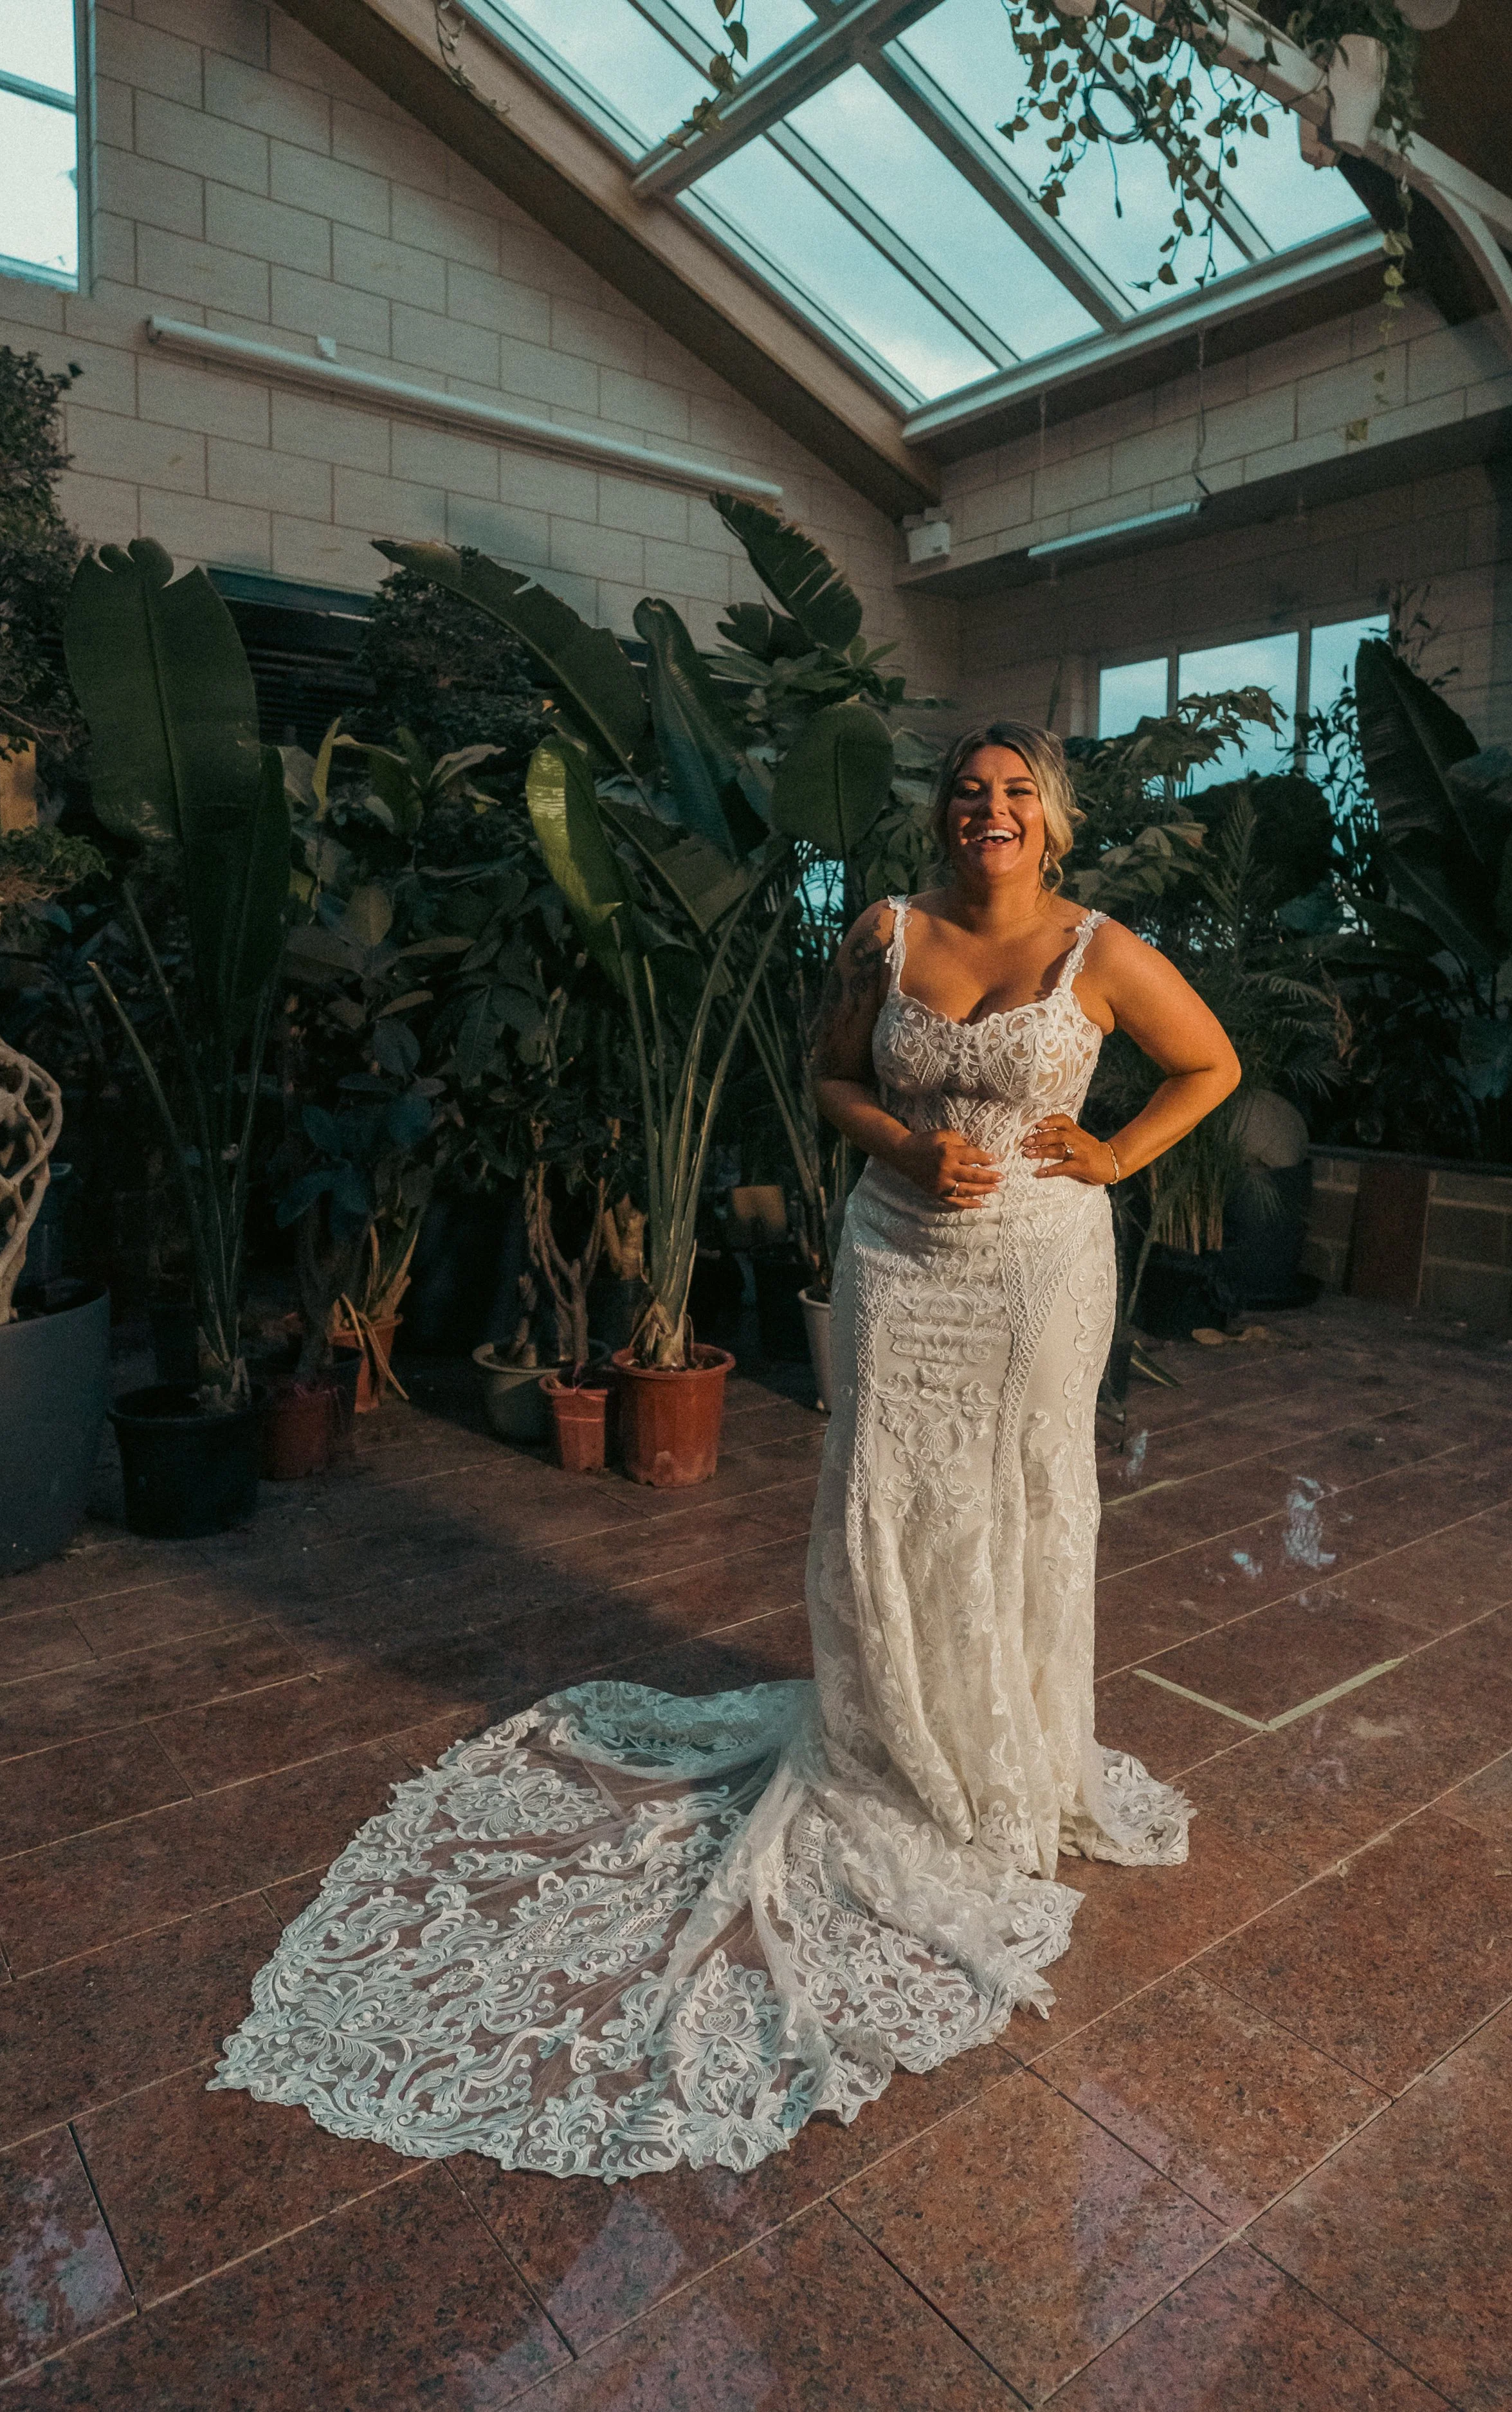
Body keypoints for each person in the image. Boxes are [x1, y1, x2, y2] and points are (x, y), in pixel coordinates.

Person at [212, 722, 1241, 2185]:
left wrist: (1118, 1155)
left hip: (1035, 1270)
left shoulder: (1101, 949)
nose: (989, 812)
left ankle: (1002, 1759)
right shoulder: (883, 932)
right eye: (968, 793)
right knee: (884, 1494)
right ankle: (890, 1744)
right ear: (939, 819)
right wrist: (898, 1149)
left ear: (1052, 825)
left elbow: (1209, 1062)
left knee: (1015, 1503)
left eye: (1016, 795)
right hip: (897, 1255)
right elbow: (831, 1084)